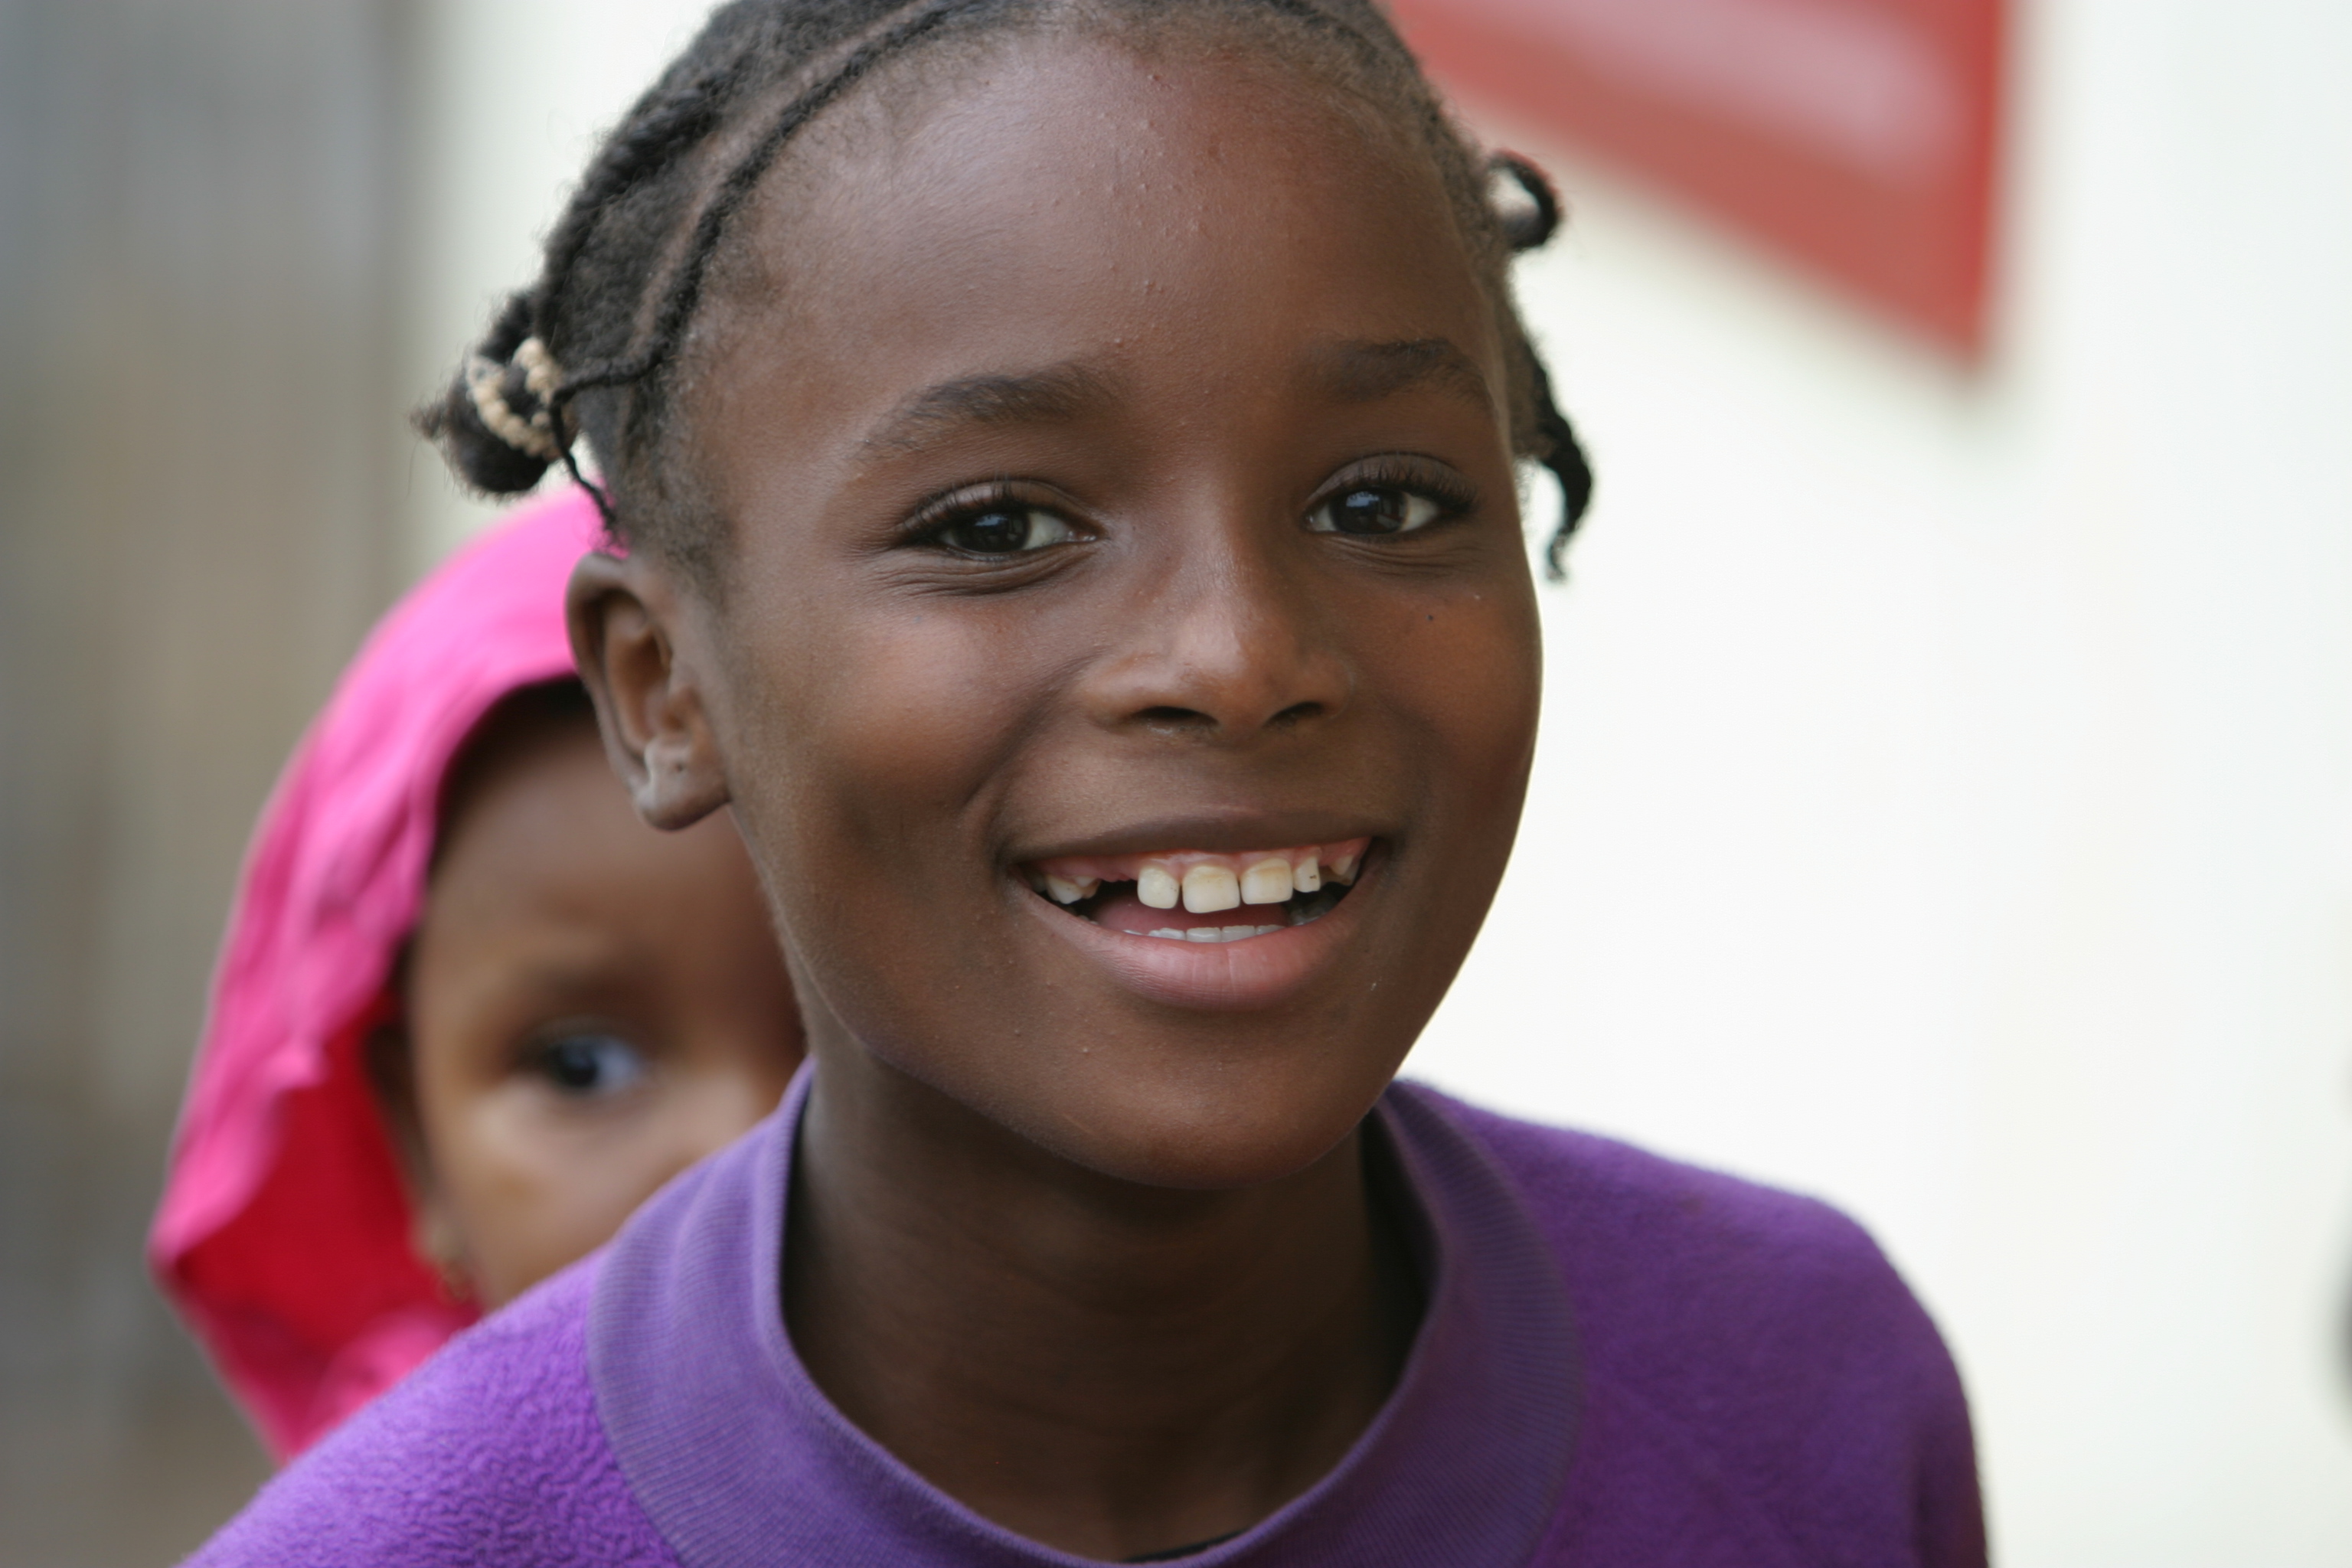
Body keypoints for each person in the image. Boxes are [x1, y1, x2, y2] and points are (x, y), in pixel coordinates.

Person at [187, 1, 1986, 1561]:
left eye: (1379, 500)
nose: (1238, 654)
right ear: (666, 690)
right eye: (998, 527)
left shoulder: (1801, 1402)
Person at [150, 488, 803, 1462]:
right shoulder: (394, 1520)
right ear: (417, 1140)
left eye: (853, 1037)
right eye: (583, 1065)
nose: (744, 1153)